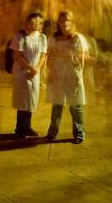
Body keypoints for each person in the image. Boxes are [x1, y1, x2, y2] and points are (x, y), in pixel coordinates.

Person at [45, 11, 88, 144]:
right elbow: (49, 55)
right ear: (58, 22)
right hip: (58, 73)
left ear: (72, 22)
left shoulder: (78, 38)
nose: (65, 23)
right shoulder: (54, 38)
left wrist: (79, 72)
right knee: (57, 104)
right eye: (62, 20)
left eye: (67, 20)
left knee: (75, 105)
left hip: (72, 74)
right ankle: (52, 133)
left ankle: (79, 133)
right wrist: (50, 72)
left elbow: (83, 58)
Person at [11, 12, 47, 138]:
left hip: (34, 73)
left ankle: (27, 127)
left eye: (38, 22)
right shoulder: (20, 36)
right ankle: (20, 129)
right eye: (32, 22)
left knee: (31, 99)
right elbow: (17, 56)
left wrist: (36, 69)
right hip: (22, 73)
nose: (35, 24)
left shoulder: (42, 37)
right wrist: (30, 68)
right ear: (27, 22)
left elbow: (43, 55)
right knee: (22, 100)